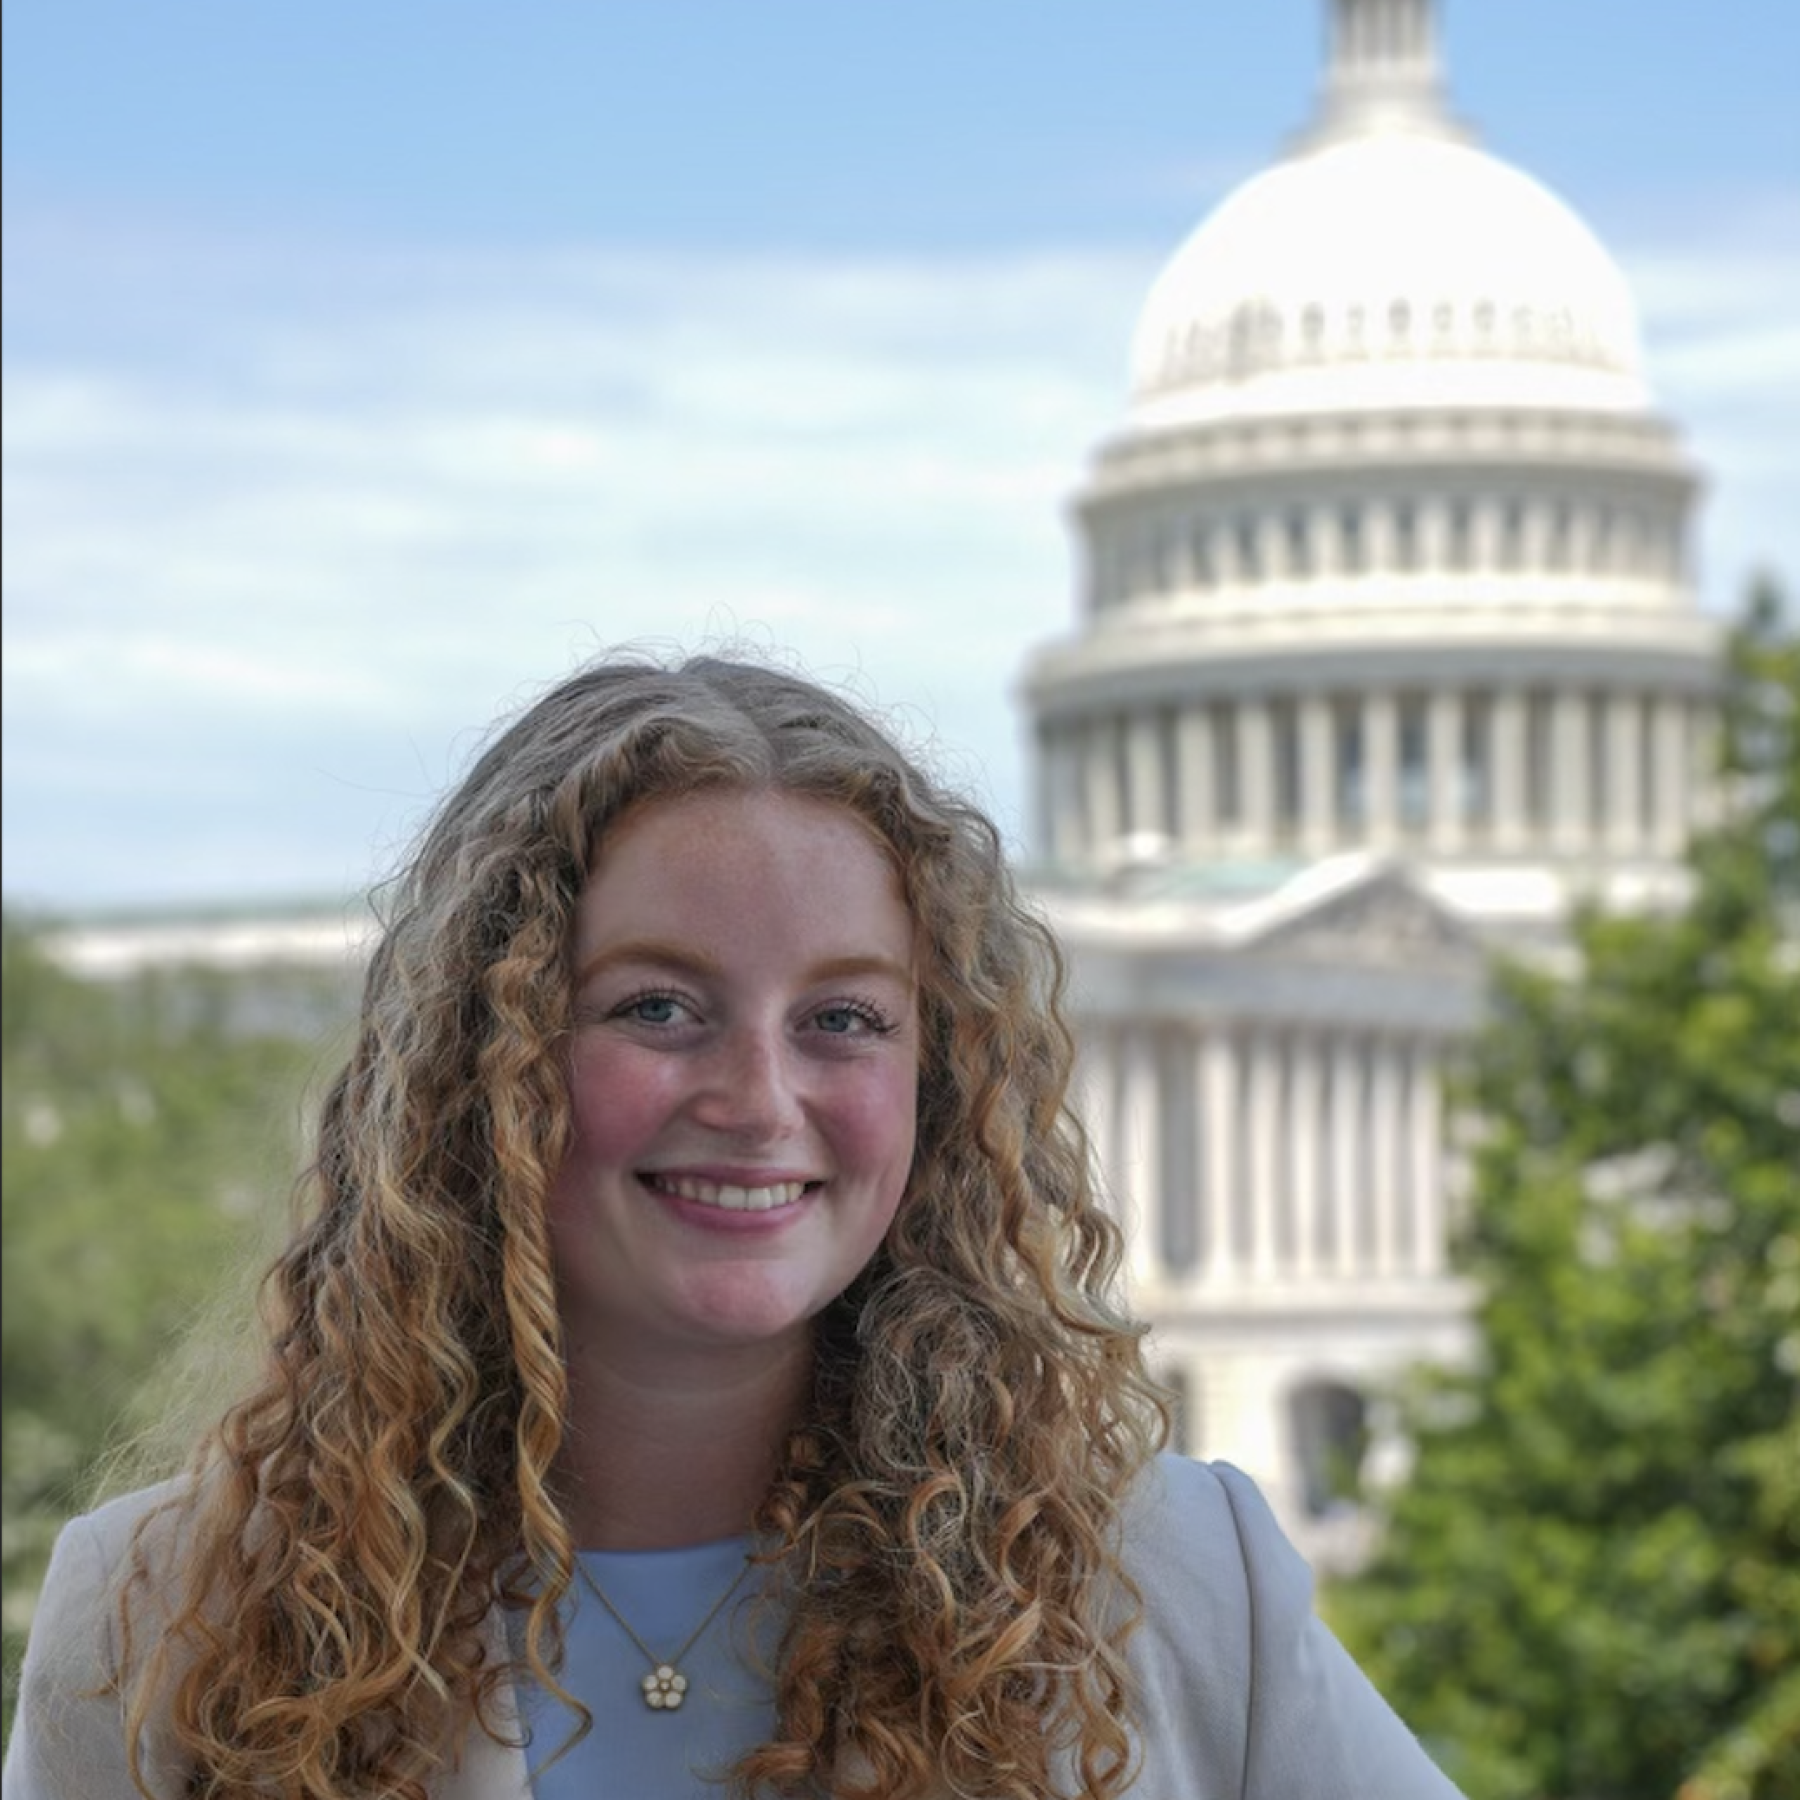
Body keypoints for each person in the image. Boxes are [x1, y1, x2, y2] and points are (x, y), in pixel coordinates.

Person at [4, 654, 1464, 1800]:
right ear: (481, 1066)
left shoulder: (1181, 1590)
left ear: (937, 1081)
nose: (761, 1100)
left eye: (842, 1018)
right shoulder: (156, 1627)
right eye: (658, 1008)